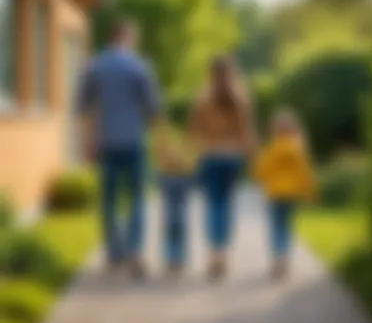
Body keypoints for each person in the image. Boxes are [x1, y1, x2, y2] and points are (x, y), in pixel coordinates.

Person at [77, 19, 163, 278]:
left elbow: (83, 108)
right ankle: (134, 249)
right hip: (134, 141)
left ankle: (114, 253)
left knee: (109, 199)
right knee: (137, 197)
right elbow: (153, 111)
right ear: (127, 37)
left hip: (105, 142)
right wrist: (161, 143)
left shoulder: (95, 67)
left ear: (110, 38)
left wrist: (88, 142)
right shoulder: (140, 67)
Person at [188, 55, 254, 280]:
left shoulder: (202, 99)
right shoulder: (241, 98)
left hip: (209, 156)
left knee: (213, 205)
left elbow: (193, 130)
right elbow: (246, 133)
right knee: (227, 205)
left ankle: (214, 253)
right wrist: (249, 155)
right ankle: (223, 253)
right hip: (232, 157)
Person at [254, 108, 316, 280]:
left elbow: (261, 172)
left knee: (276, 226)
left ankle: (278, 257)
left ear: (274, 130)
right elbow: (306, 173)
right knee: (287, 225)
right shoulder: (298, 148)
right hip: (292, 194)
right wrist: (310, 193)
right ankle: (285, 256)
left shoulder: (271, 148)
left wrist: (259, 156)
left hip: (274, 193)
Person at [155, 124, 196, 278]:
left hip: (176, 181)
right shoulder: (171, 144)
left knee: (176, 223)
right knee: (175, 223)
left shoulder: (175, 145)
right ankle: (174, 257)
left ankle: (175, 258)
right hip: (174, 181)